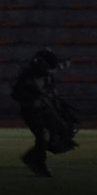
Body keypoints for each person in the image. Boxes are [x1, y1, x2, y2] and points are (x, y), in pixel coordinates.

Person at [11, 48, 78, 177]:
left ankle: (33, 160)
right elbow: (16, 93)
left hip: (45, 108)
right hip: (31, 111)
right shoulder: (27, 76)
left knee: (54, 136)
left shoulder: (45, 74)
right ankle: (36, 162)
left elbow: (51, 86)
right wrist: (32, 99)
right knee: (44, 136)